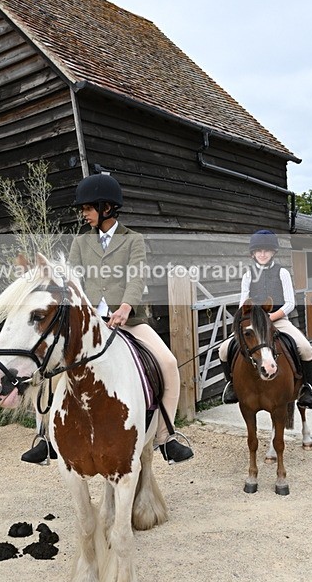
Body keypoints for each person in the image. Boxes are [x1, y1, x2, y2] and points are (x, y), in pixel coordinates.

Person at [21, 173, 194, 465]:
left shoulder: (133, 240)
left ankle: (166, 437)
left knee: (167, 363)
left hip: (126, 319)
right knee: (50, 368)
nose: (84, 214)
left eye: (88, 208)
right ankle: (44, 437)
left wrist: (126, 306)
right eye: (84, 209)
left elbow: (136, 276)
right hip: (88, 324)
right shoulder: (80, 242)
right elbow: (73, 278)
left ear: (107, 208)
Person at [218, 229, 312, 408]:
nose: (262, 254)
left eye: (266, 250)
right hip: (254, 323)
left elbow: (289, 303)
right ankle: (231, 385)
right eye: (259, 251)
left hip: (277, 319)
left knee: (306, 349)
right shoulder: (248, 275)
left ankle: (307, 390)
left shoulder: (282, 273)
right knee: (224, 350)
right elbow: (243, 303)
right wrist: (250, 321)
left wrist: (270, 318)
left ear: (273, 252)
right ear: (253, 253)